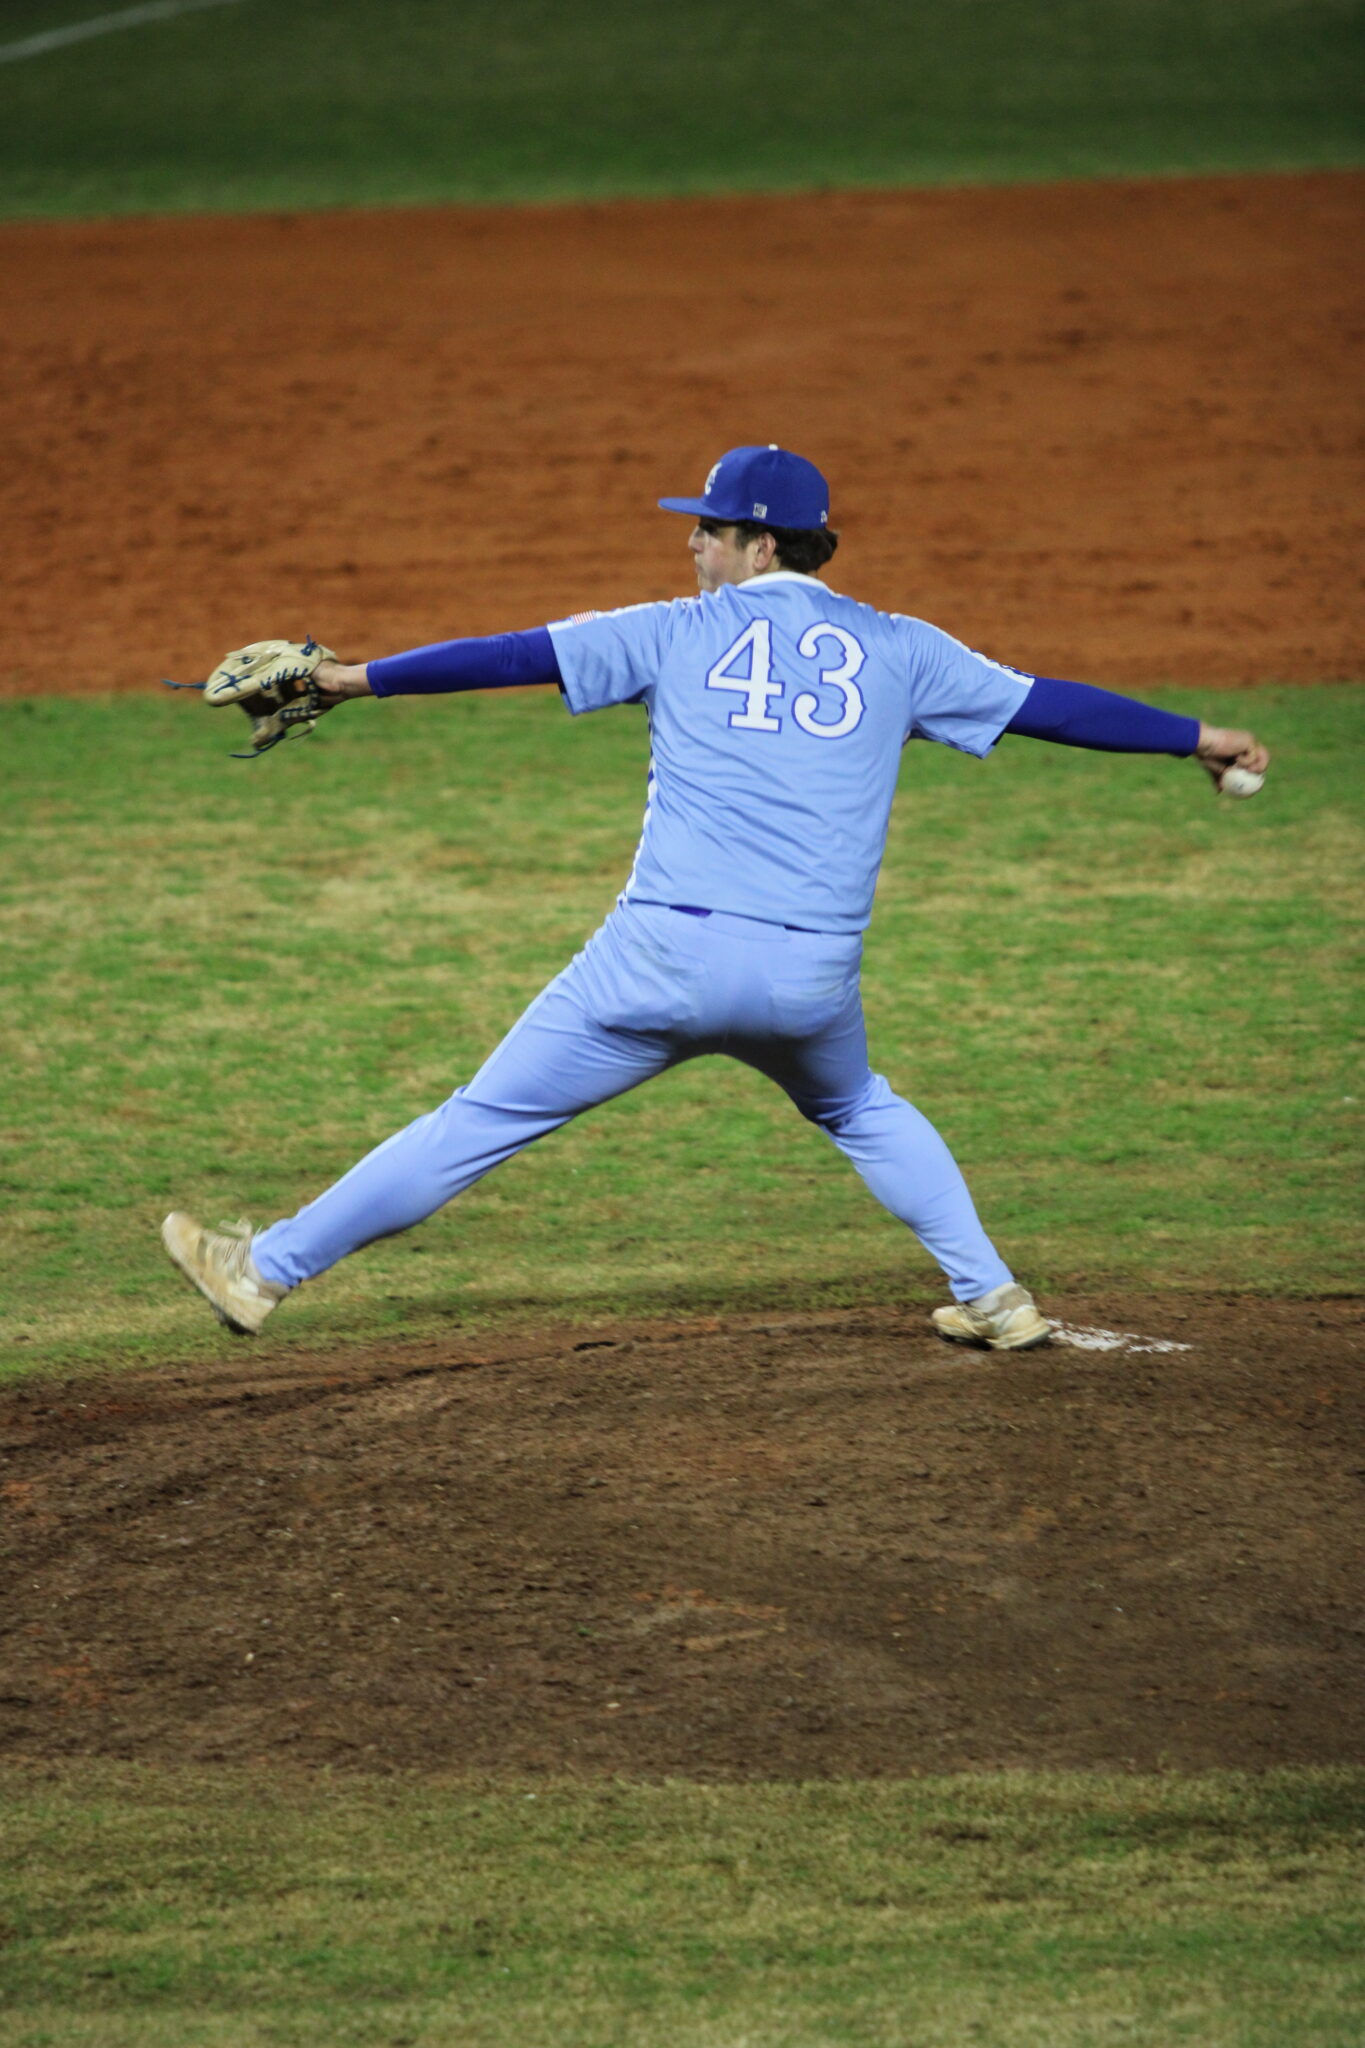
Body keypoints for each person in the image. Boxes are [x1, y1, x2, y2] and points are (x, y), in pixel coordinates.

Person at [161, 444, 1269, 1349]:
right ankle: (994, 1298)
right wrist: (1196, 737)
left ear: (761, 544)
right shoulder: (903, 649)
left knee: (478, 1121)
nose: (691, 543)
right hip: (808, 977)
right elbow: (1051, 707)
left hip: (656, 962)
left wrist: (351, 677)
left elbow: (509, 654)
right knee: (860, 1107)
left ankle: (262, 1271)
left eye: (708, 528)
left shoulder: (672, 629)